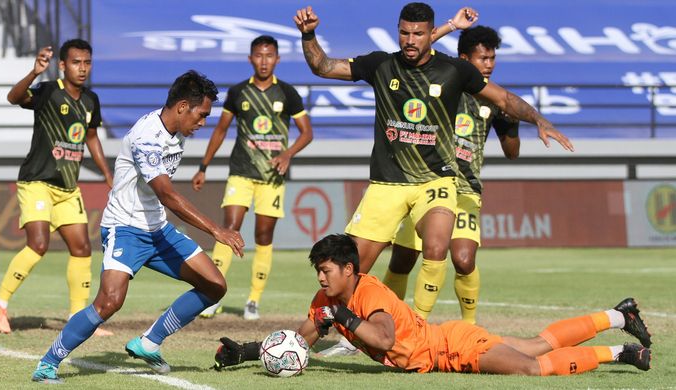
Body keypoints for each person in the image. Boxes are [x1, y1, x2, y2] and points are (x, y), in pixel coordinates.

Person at [293, 3, 573, 322]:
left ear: (430, 34)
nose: (410, 40)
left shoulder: (454, 71)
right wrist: (309, 35)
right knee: (352, 270)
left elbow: (504, 99)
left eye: (418, 33)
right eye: (404, 33)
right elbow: (323, 66)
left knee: (438, 248)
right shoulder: (380, 65)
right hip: (388, 183)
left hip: (435, 180)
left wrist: (538, 119)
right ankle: (322, 329)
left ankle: (418, 326)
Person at [30, 70, 245, 383]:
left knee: (214, 285)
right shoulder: (147, 137)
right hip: (126, 228)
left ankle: (148, 342)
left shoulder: (176, 132)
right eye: (202, 115)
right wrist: (217, 230)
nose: (203, 122)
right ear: (183, 106)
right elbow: (167, 194)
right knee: (109, 302)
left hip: (157, 229)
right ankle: (48, 363)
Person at [213, 234, 653, 376]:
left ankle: (618, 351)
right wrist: (250, 353)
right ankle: (619, 317)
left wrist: (342, 316)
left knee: (532, 368)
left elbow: (382, 337)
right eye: (318, 270)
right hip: (444, 345)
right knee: (536, 345)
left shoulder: (371, 294)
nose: (320, 277)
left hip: (453, 348)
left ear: (350, 269)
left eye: (326, 270)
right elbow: (303, 338)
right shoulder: (325, 298)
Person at [383, 25, 521, 323]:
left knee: (463, 259)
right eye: (482, 58)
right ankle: (382, 322)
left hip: (466, 190)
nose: (489, 64)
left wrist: (513, 125)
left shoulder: (495, 100)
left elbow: (512, 153)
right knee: (403, 259)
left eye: (492, 58)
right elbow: (420, 48)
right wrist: (451, 25)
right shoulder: (446, 82)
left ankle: (469, 327)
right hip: (426, 183)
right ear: (463, 59)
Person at [0, 39, 114, 337]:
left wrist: (106, 173)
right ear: (63, 65)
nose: (82, 68)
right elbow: (14, 97)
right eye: (76, 62)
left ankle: (78, 316)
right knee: (39, 244)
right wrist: (34, 73)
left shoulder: (90, 100)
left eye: (87, 62)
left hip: (67, 187)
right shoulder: (49, 91)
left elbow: (91, 138)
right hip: (37, 181)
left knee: (82, 247)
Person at [192, 35, 314, 320]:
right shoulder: (237, 93)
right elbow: (220, 131)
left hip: (271, 177)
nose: (264, 61)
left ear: (277, 59)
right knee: (229, 228)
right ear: (250, 59)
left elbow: (307, 132)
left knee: (263, 236)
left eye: (269, 55)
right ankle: (213, 295)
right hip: (241, 173)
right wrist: (203, 166)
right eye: (258, 56)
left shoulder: (287, 93)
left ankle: (253, 300)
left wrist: (287, 155)